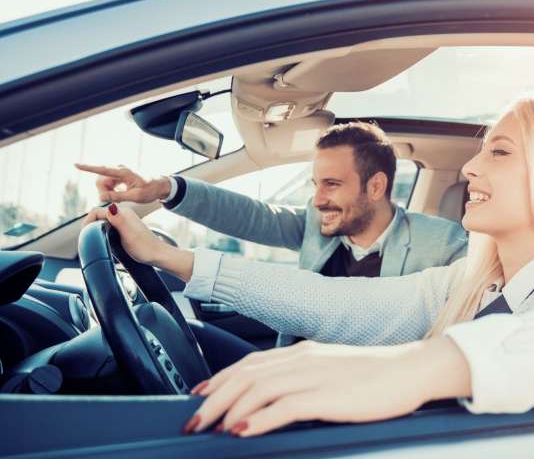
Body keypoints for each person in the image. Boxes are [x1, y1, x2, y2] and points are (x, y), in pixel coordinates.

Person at [84, 94, 534, 438]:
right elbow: (327, 305)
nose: (471, 168)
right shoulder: (476, 282)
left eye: (501, 152)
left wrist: (416, 368)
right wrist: (167, 256)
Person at [77, 122, 468, 348]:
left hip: (363, 397)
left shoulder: (444, 247)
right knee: (183, 337)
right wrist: (164, 188)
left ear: (377, 187)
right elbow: (251, 216)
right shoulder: (319, 227)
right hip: (293, 368)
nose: (317, 200)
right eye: (315, 184)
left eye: (331, 184)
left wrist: (160, 253)